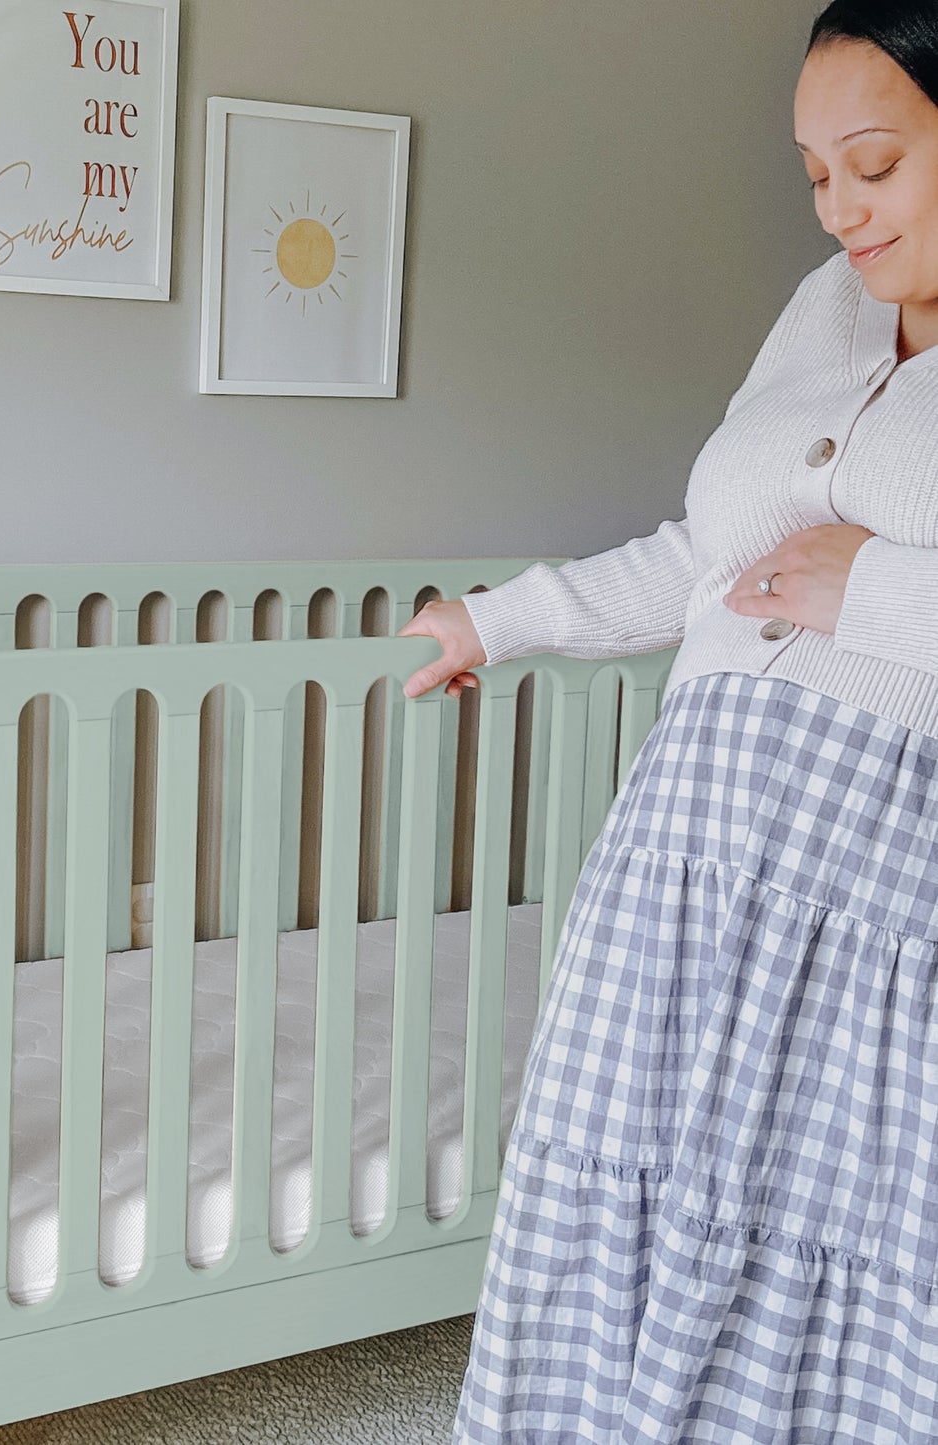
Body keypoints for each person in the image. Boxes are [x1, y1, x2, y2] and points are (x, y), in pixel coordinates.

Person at [399, 3, 938, 1439]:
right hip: (684, 850)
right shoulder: (825, 311)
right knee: (614, 1176)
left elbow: (846, 581)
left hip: (875, 886)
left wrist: (879, 592)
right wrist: (501, 620)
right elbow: (712, 552)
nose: (838, 212)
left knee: (819, 1223)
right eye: (813, 176)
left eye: (875, 165)